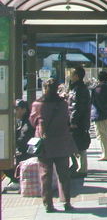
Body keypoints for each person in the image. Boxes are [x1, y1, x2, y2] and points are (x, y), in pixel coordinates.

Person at [29, 79, 77, 212]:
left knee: (45, 174)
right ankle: (66, 201)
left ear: (44, 89)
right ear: (57, 89)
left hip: (45, 143)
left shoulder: (37, 104)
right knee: (63, 173)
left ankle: (47, 204)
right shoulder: (63, 104)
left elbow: (32, 122)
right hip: (61, 142)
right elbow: (66, 120)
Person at [2, 100, 35, 191]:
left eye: (17, 109)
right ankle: (16, 180)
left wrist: (16, 148)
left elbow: (24, 138)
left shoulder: (27, 122)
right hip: (26, 150)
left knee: (4, 160)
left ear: (24, 110)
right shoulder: (23, 120)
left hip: (27, 152)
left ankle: (17, 180)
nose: (14, 111)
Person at [67, 66, 91, 178]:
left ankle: (82, 169)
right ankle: (78, 167)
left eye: (71, 74)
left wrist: (73, 121)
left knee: (80, 146)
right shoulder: (76, 88)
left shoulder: (79, 89)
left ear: (76, 76)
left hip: (78, 123)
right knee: (76, 145)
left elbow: (77, 107)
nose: (70, 76)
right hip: (79, 121)